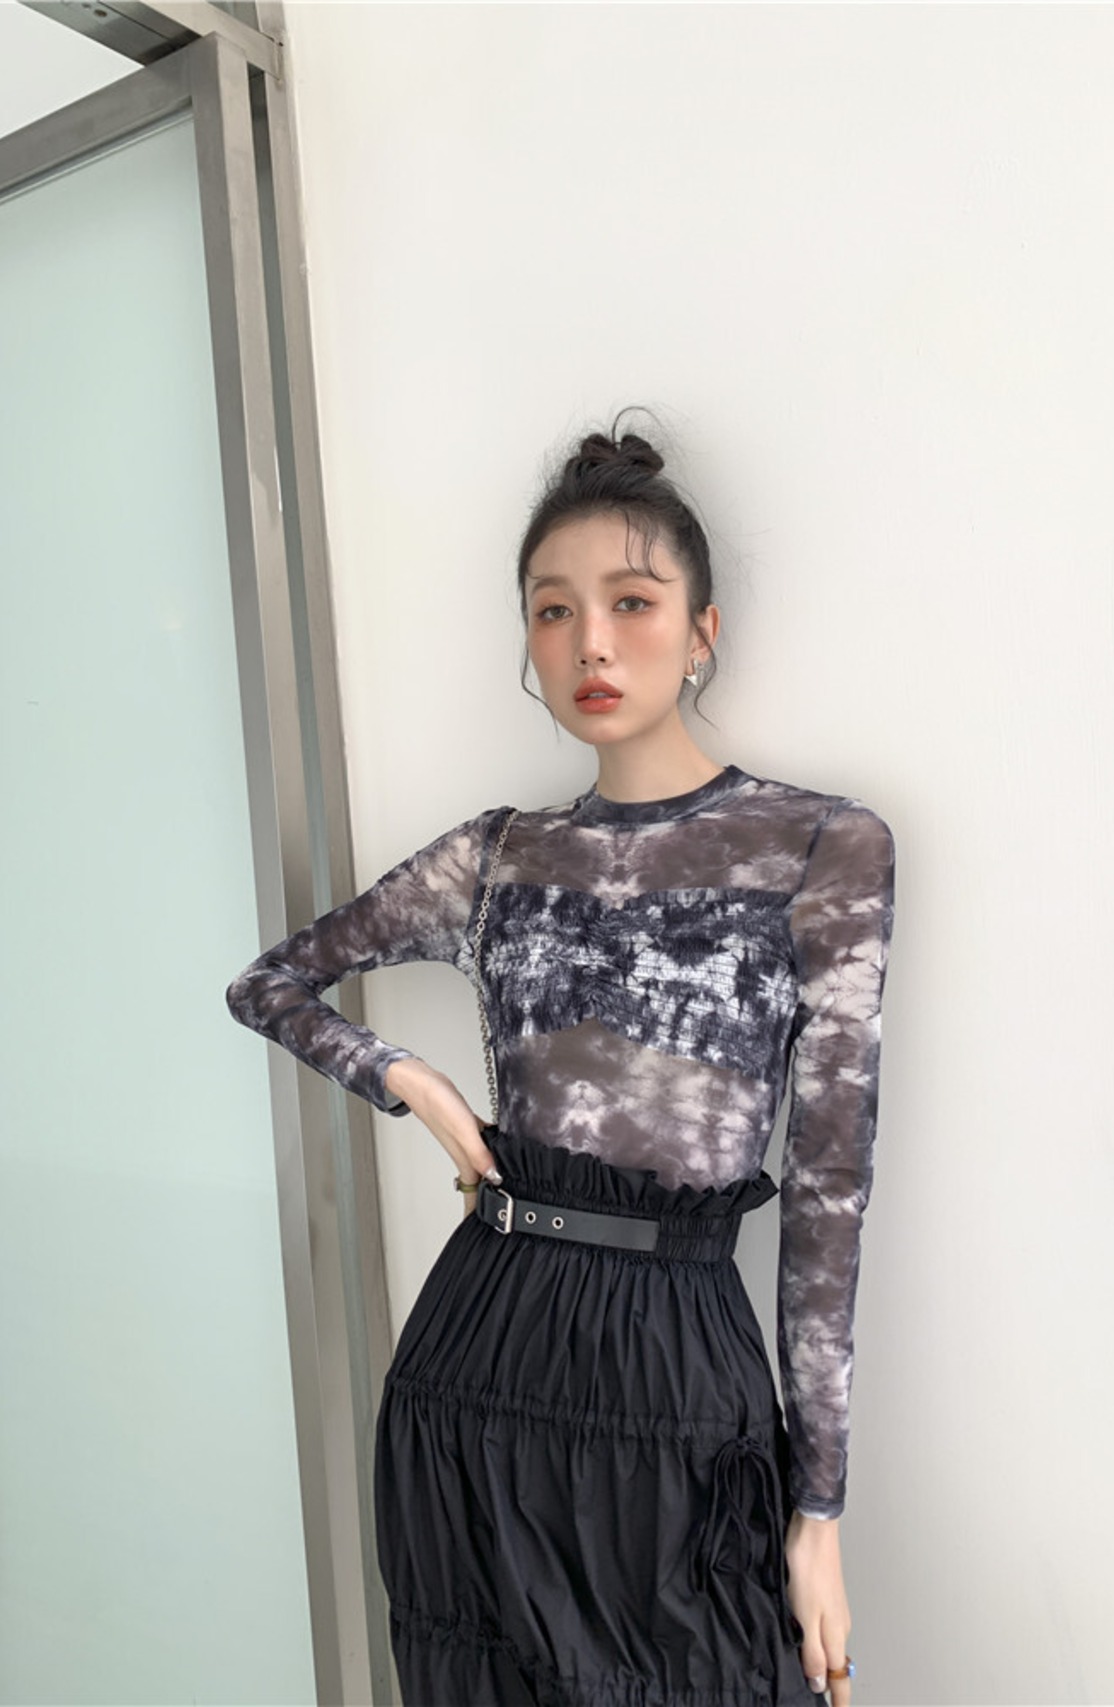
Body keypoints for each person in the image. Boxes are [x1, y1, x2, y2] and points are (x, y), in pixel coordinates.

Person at [225, 408, 896, 1707]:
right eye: (552, 610)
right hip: (479, 1358)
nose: (591, 640)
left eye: (632, 602)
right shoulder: (498, 856)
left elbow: (829, 1189)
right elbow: (272, 983)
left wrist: (818, 1511)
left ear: (702, 631)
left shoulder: (821, 848)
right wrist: (412, 1085)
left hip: (676, 1367)